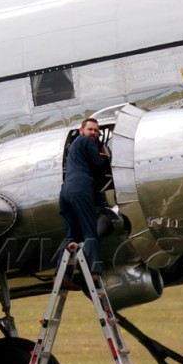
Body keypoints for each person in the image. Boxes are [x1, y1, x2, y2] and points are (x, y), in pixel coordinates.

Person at [59, 118, 108, 276]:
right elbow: (99, 164)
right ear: (81, 131)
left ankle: (62, 274)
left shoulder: (75, 147)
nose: (93, 133)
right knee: (90, 232)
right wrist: (105, 157)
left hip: (65, 191)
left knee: (71, 235)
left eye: (96, 131)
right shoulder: (86, 142)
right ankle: (94, 271)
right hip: (81, 188)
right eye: (90, 129)